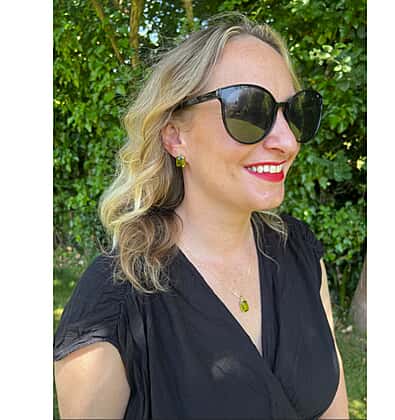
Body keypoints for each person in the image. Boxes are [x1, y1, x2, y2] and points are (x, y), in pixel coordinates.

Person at [54, 13, 349, 420]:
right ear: (175, 136)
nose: (287, 142)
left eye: (295, 112)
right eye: (250, 110)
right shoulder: (112, 305)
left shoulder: (300, 253)